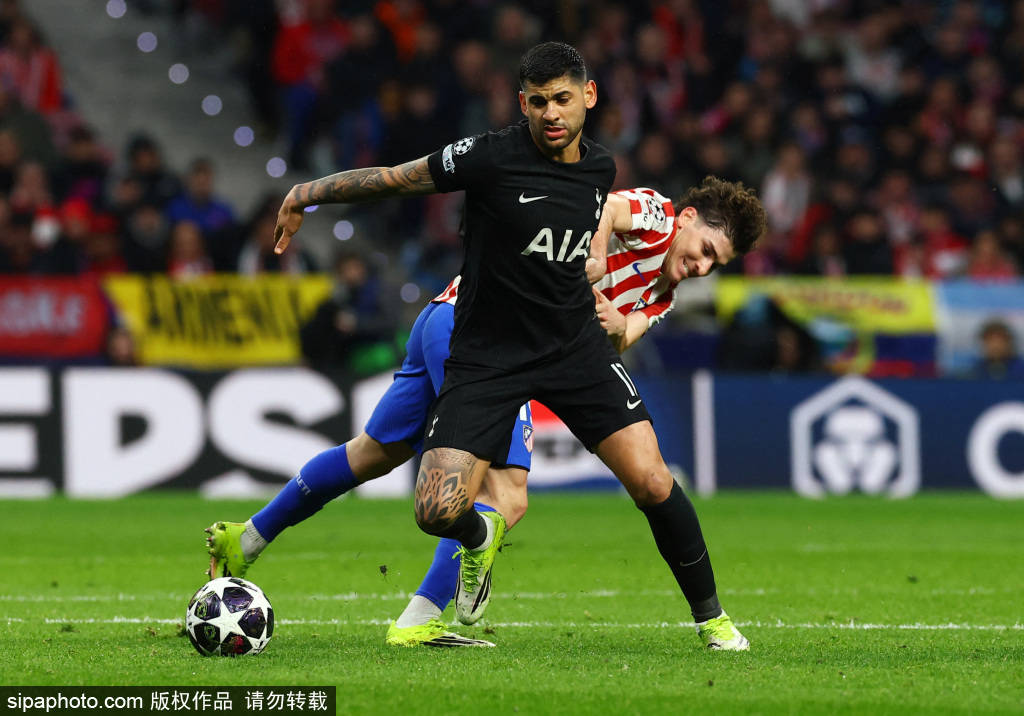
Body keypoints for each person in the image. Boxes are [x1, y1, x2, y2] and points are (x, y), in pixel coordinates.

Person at [210, 42, 755, 651]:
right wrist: (308, 193)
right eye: (704, 249)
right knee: (492, 500)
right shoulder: (637, 209)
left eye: (715, 264)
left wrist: (612, 324)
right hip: (478, 333)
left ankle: (249, 538)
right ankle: (438, 594)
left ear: (589, 97)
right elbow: (405, 179)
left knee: (375, 453)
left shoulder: (650, 268)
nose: (703, 265)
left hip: (548, 342)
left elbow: (624, 332)